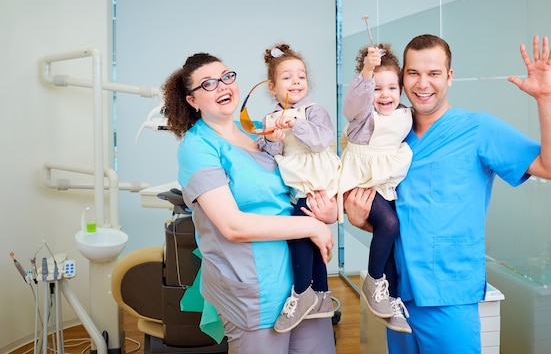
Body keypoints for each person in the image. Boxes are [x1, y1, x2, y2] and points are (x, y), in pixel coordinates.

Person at [343, 34, 551, 354]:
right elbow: (399, 214)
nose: (423, 84)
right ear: (402, 77)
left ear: (449, 77)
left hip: (450, 299)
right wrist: (360, 220)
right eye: (413, 74)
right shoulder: (391, 138)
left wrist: (546, 97)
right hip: (397, 300)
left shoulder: (478, 129)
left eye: (434, 73)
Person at [161, 52, 337, 354]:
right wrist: (311, 226)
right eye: (208, 84)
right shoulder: (198, 147)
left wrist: (327, 211)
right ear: (192, 101)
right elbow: (232, 226)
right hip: (256, 291)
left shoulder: (262, 129)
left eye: (227, 76)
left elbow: (309, 181)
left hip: (302, 283)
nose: (222, 86)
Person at [255, 43, 342, 333]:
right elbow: (269, 159)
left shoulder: (314, 111)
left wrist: (296, 123)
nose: (296, 81)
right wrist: (275, 137)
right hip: (295, 183)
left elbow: (320, 141)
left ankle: (302, 291)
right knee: (310, 240)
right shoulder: (269, 120)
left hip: (317, 181)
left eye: (301, 76)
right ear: (272, 86)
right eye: (287, 77)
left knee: (298, 231)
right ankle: (321, 295)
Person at [338, 43, 412, 333]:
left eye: (392, 88)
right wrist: (367, 70)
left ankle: (391, 301)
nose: (385, 96)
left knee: (392, 238)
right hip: (359, 182)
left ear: (401, 90)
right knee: (390, 224)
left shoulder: (405, 114)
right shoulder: (363, 117)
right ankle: (373, 281)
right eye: (376, 89)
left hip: (384, 183)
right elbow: (352, 104)